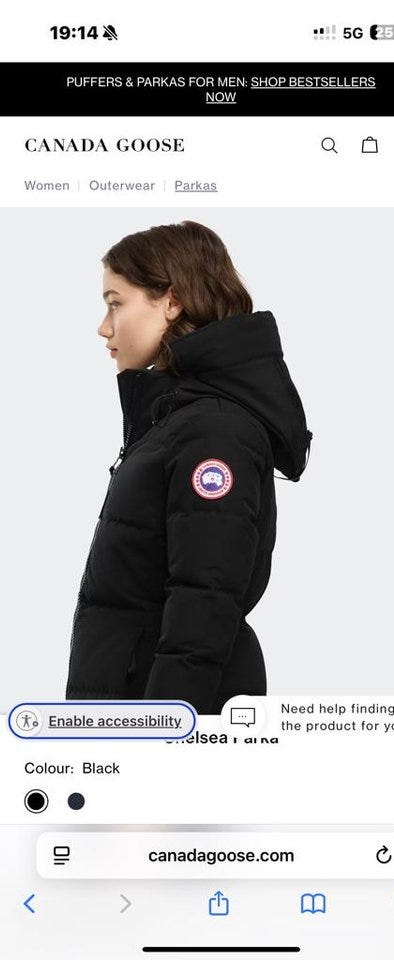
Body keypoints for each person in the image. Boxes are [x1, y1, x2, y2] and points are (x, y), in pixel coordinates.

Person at [65, 220, 312, 714]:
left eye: (115, 303)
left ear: (172, 302)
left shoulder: (213, 431)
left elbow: (205, 599)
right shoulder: (179, 420)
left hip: (167, 715)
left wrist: (164, 728)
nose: (104, 327)